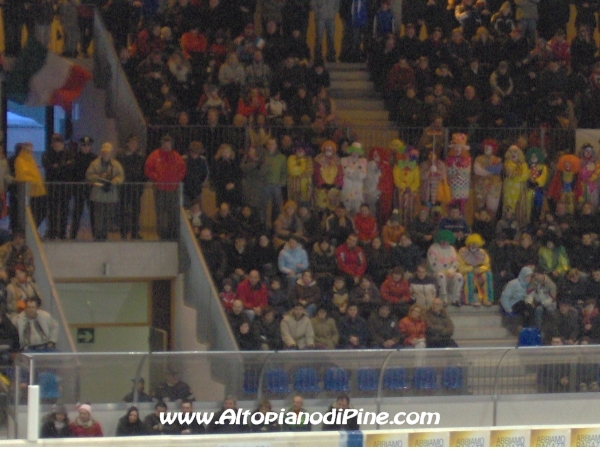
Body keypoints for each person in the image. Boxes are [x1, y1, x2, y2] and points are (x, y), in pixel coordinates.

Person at [144, 135, 186, 240]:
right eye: (165, 143)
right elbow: (148, 169)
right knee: (161, 213)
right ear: (162, 144)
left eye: (169, 144)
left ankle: (173, 235)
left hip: (173, 189)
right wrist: (157, 178)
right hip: (160, 189)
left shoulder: (176, 156)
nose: (167, 146)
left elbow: (183, 169)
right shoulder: (154, 155)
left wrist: (177, 179)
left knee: (173, 213)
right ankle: (162, 235)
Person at [86, 143, 125, 241]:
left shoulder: (116, 165)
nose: (105, 153)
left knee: (108, 216)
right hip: (98, 195)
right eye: (104, 152)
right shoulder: (94, 164)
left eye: (107, 152)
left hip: (110, 196)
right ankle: (98, 235)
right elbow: (89, 176)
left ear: (110, 152)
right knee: (98, 216)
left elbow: (121, 176)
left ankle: (105, 234)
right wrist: (99, 177)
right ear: (101, 152)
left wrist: (114, 181)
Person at [42, 134, 74, 240]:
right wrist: (63, 166)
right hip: (52, 188)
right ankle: (52, 231)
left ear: (62, 144)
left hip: (64, 188)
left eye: (58, 143)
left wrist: (57, 167)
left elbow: (70, 169)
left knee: (64, 210)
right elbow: (49, 169)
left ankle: (62, 232)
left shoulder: (68, 154)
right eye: (54, 143)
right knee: (52, 211)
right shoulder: (47, 154)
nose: (56, 145)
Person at [117, 135, 147, 240]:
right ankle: (123, 233)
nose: (134, 146)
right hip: (124, 188)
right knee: (123, 211)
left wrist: (142, 184)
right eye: (132, 143)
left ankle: (134, 233)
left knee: (136, 212)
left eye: (135, 143)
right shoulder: (121, 156)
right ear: (127, 144)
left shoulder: (140, 156)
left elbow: (144, 172)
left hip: (136, 188)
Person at [14, 142, 47, 229]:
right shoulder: (20, 160)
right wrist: (34, 181)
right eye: (28, 150)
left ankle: (32, 229)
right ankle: (30, 230)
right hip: (30, 192)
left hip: (38, 191)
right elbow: (21, 176)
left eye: (31, 150)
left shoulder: (31, 160)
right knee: (32, 213)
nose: (30, 152)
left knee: (41, 212)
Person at [428, 230, 464, 307]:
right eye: (443, 240)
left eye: (447, 240)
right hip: (436, 273)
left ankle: (456, 299)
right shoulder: (433, 248)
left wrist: (450, 272)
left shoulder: (452, 249)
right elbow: (432, 264)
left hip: (449, 274)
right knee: (441, 276)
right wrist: (443, 272)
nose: (444, 242)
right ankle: (443, 299)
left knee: (459, 276)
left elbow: (454, 263)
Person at [71, 136, 97, 239]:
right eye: (84, 145)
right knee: (77, 212)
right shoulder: (75, 157)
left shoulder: (94, 158)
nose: (86, 147)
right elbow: (73, 173)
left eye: (88, 146)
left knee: (93, 213)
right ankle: (73, 235)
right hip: (79, 189)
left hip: (91, 189)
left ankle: (95, 234)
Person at [457, 234, 493, 307]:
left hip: (479, 274)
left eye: (475, 244)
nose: (473, 246)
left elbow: (487, 266)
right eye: (471, 244)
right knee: (469, 276)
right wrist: (471, 269)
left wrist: (478, 270)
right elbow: (460, 267)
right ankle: (469, 300)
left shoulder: (483, 253)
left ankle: (487, 300)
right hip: (466, 274)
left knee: (488, 275)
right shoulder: (462, 252)